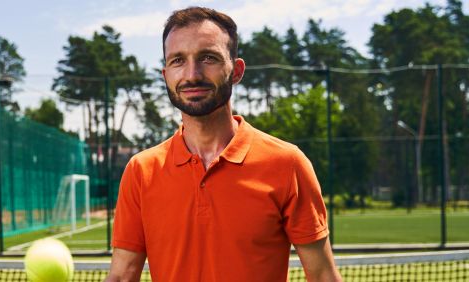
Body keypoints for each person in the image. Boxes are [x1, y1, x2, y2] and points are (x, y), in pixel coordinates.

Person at [106, 6, 341, 282]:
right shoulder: (141, 171)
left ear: (236, 70)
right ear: (166, 75)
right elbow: (122, 276)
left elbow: (324, 276)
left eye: (208, 58)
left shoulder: (287, 164)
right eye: (178, 61)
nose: (192, 74)